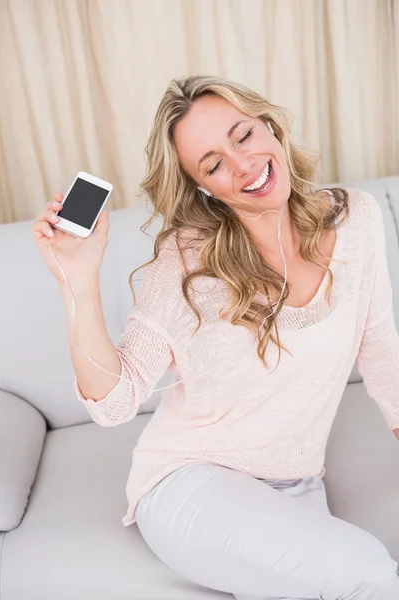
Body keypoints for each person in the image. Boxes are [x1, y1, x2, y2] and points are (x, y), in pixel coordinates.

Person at [32, 75, 399, 599]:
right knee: (370, 571)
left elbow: (381, 346)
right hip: (189, 483)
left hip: (297, 484)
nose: (243, 163)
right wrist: (79, 279)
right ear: (203, 187)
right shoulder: (186, 264)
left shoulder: (356, 218)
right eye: (213, 163)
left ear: (269, 127)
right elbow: (114, 405)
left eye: (243, 135)